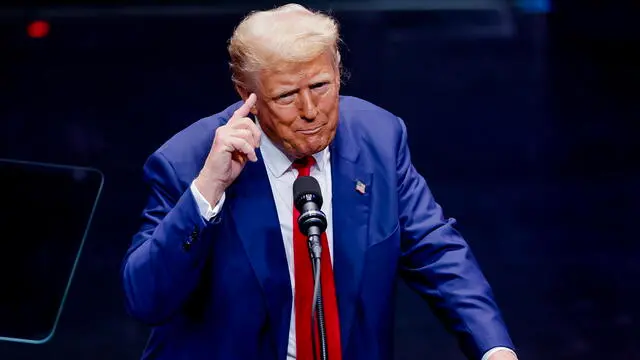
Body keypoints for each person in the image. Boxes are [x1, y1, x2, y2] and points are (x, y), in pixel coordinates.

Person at [121, 4, 518, 360]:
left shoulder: (378, 137)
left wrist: (494, 348)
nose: (310, 111)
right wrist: (208, 189)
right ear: (247, 94)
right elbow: (146, 300)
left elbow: (435, 249)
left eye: (321, 86)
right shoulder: (188, 160)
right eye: (287, 96)